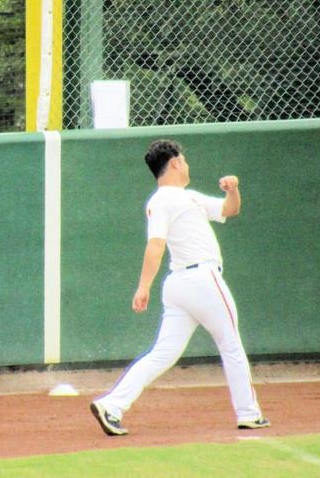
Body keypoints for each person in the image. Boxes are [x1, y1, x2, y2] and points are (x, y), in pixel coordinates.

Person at [90, 139, 270, 436]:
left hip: (179, 286)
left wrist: (233, 189)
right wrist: (143, 286)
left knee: (163, 353)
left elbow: (230, 209)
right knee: (231, 345)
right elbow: (156, 245)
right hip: (202, 280)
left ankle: (111, 405)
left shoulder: (188, 198)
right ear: (174, 163)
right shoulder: (164, 200)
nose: (186, 164)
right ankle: (249, 413)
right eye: (183, 160)